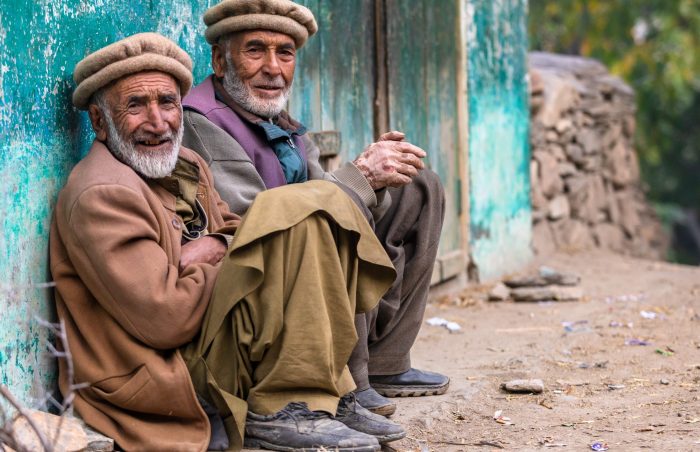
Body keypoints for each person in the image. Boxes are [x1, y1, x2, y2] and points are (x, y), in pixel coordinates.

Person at [50, 32, 408, 452]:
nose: (158, 121)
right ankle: (282, 406)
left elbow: (236, 230)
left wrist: (211, 249)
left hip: (205, 344)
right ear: (98, 121)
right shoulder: (102, 194)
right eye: (135, 106)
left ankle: (320, 391)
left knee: (307, 214)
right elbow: (167, 320)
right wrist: (235, 255)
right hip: (158, 374)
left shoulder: (185, 163)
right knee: (292, 214)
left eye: (167, 103)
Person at [182, 0, 449, 417]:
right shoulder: (203, 121)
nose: (273, 67)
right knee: (335, 224)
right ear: (220, 60)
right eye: (255, 50)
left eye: (284, 53)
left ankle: (385, 362)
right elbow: (260, 225)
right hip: (258, 287)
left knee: (418, 187)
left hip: (301, 264)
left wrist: (374, 176)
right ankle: (348, 382)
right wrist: (360, 174)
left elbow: (326, 194)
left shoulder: (274, 121)